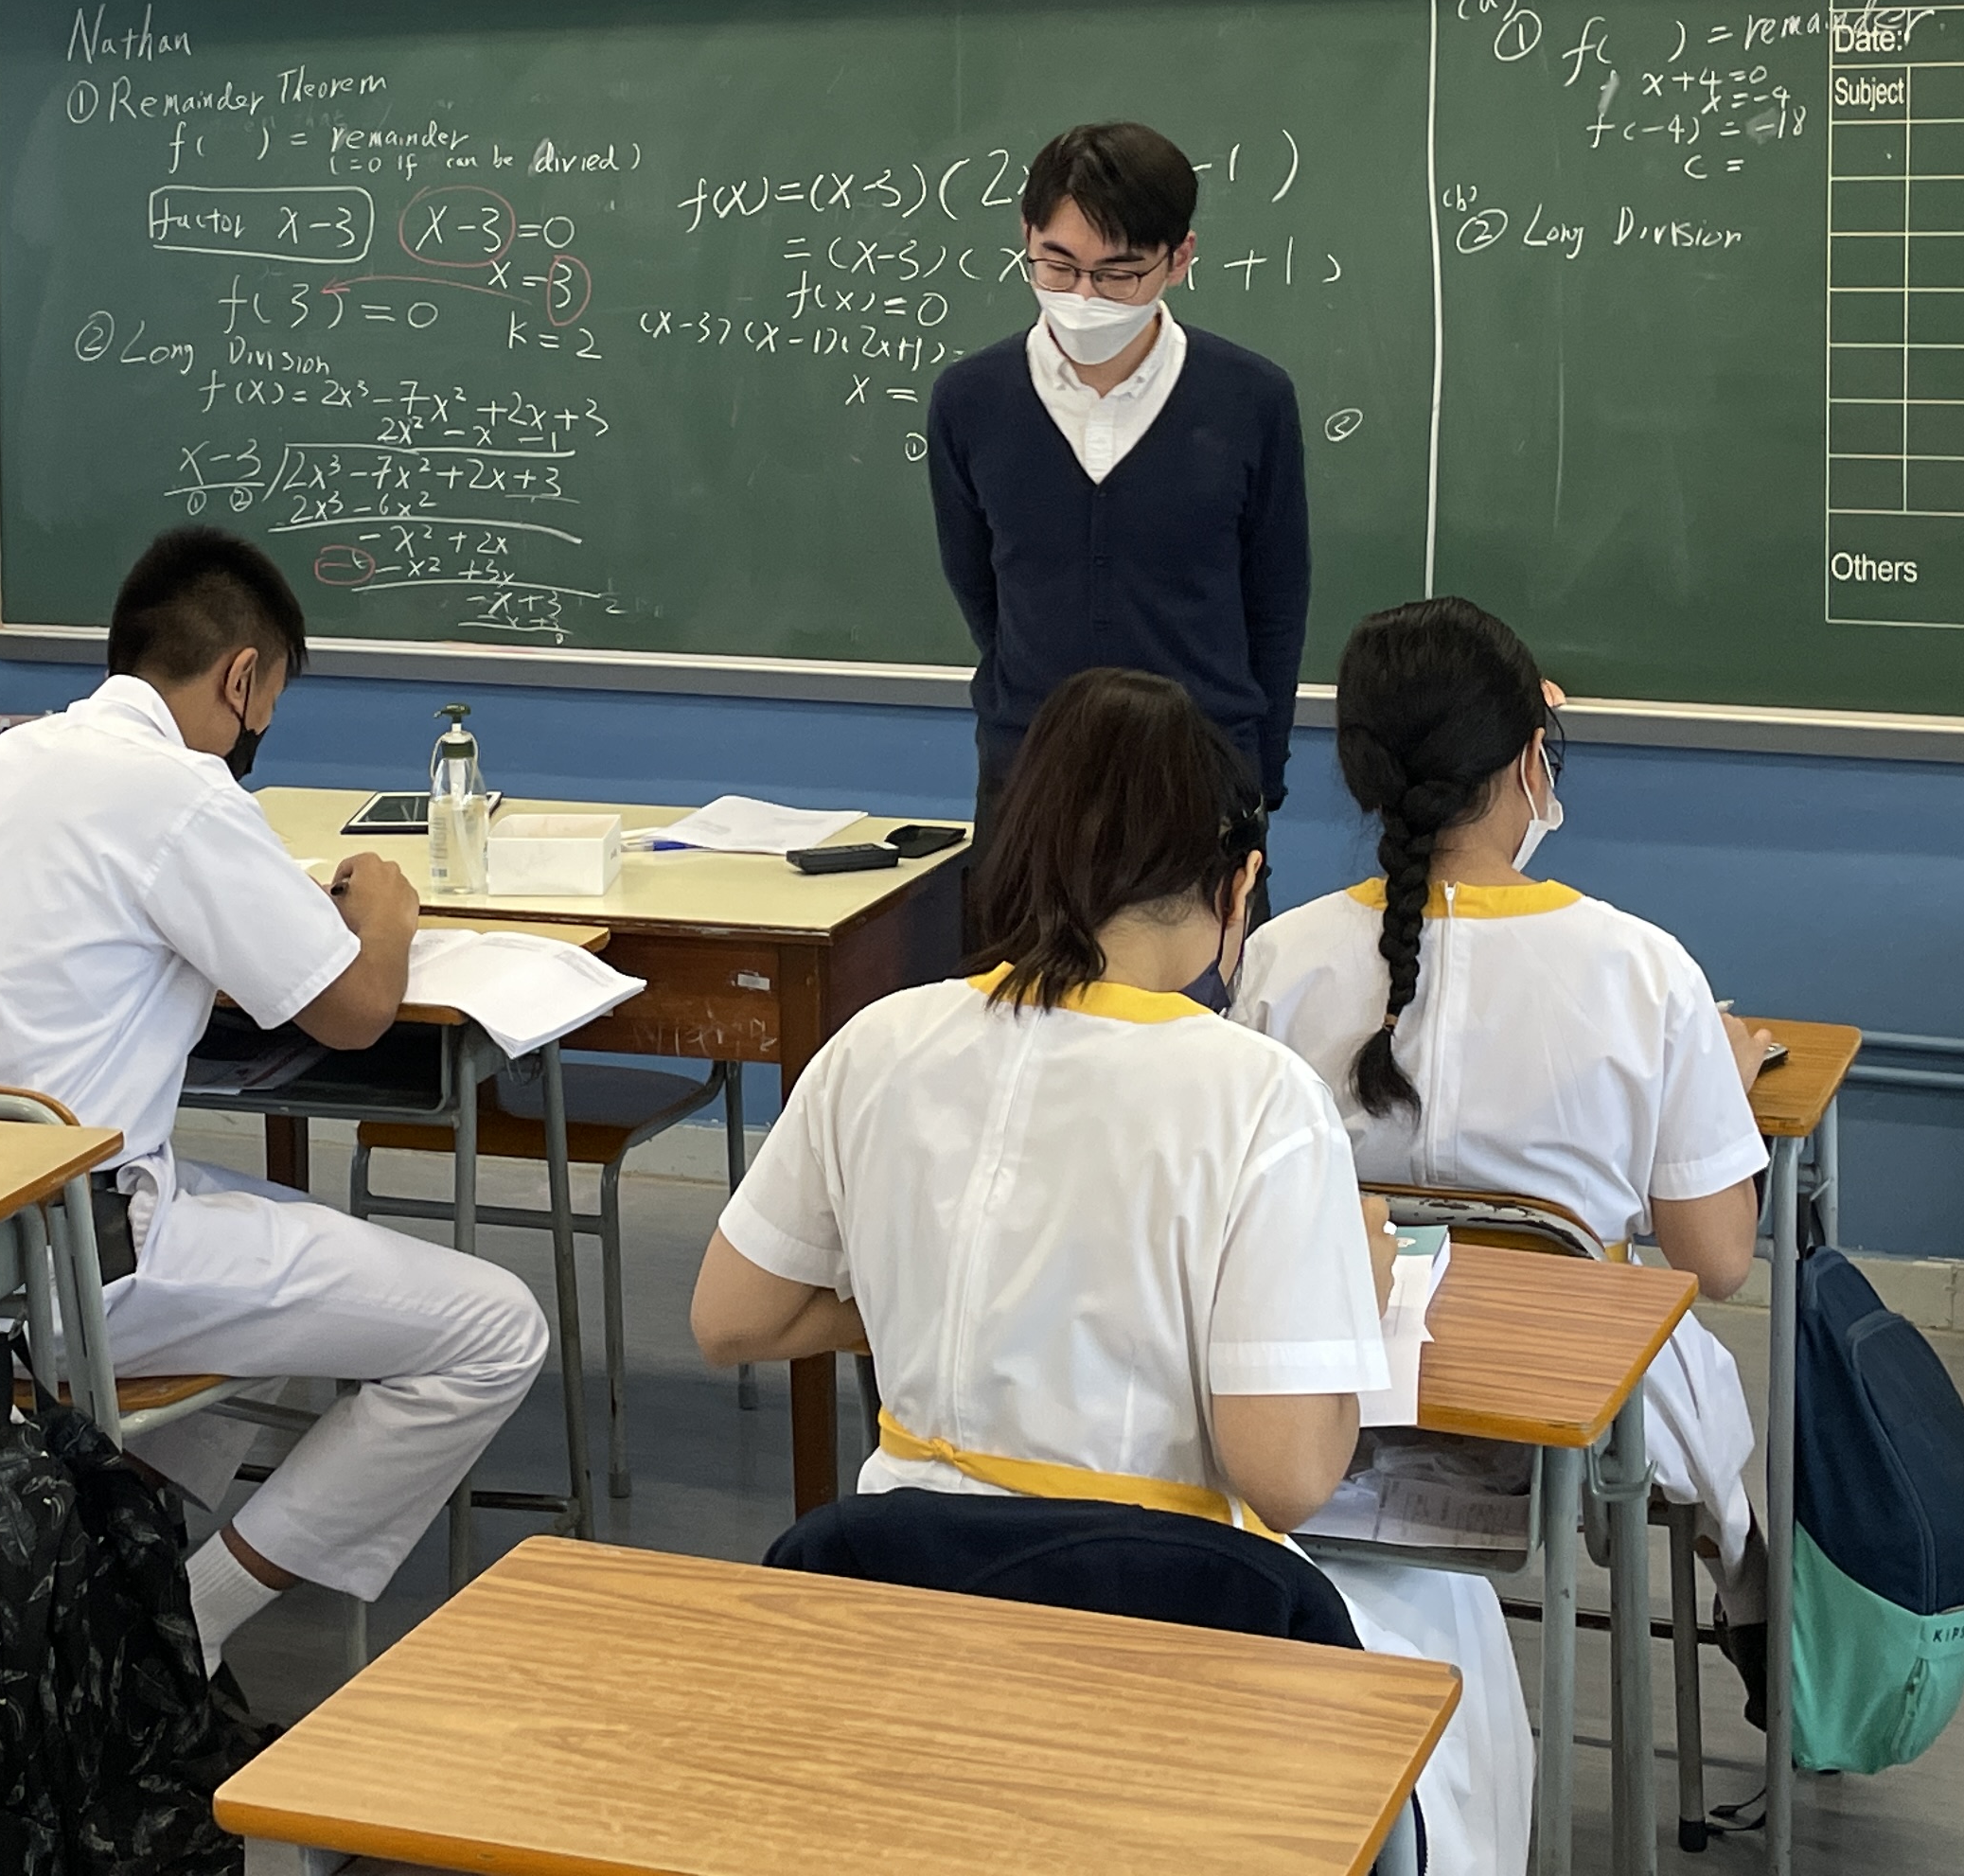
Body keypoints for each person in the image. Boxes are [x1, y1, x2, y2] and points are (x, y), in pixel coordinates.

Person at [689, 666, 1529, 1876]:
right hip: (1155, 1619)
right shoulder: (1255, 1096)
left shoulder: (883, 1040)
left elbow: (733, 1316)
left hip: (899, 1588)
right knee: (1456, 1632)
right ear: (1237, 884)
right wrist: (1350, 1290)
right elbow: (1288, 1476)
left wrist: (959, 1291)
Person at [0, 525, 548, 1663]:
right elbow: (353, 1013)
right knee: (495, 1329)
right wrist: (386, 911)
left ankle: (113, 1555)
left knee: (277, 1245)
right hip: (66, 1268)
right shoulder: (182, 794)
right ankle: (189, 1629)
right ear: (242, 678)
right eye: (270, 697)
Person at [1234, 594, 1775, 1619]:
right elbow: (1717, 1261)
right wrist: (1721, 1095)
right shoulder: (1645, 971)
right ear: (1532, 761)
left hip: (1329, 1399)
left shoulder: (1278, 958)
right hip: (1569, 1406)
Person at [925, 122, 1310, 843]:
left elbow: (1277, 600)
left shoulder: (1250, 399)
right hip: (1030, 772)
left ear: (1179, 258)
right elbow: (979, 583)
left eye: (1118, 273)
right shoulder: (971, 399)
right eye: (1058, 265)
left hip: (1201, 773)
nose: (1084, 296)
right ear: (1026, 236)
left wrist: (1262, 771)